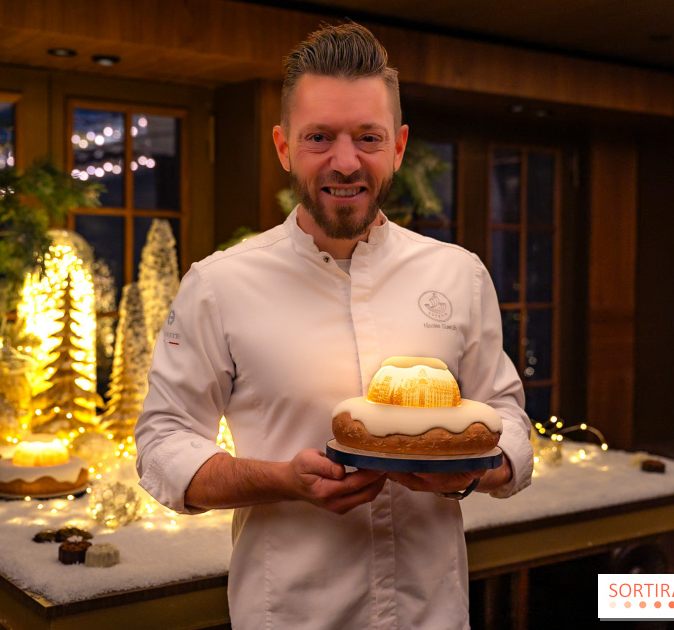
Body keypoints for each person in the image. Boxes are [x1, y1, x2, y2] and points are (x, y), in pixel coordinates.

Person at [135, 21, 533, 630]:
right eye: (319, 137)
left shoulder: (460, 275)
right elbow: (162, 445)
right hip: (288, 614)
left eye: (367, 138)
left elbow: (510, 425)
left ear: (397, 147)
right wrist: (280, 480)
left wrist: (472, 469)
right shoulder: (218, 284)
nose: (344, 162)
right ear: (283, 147)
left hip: (432, 615)